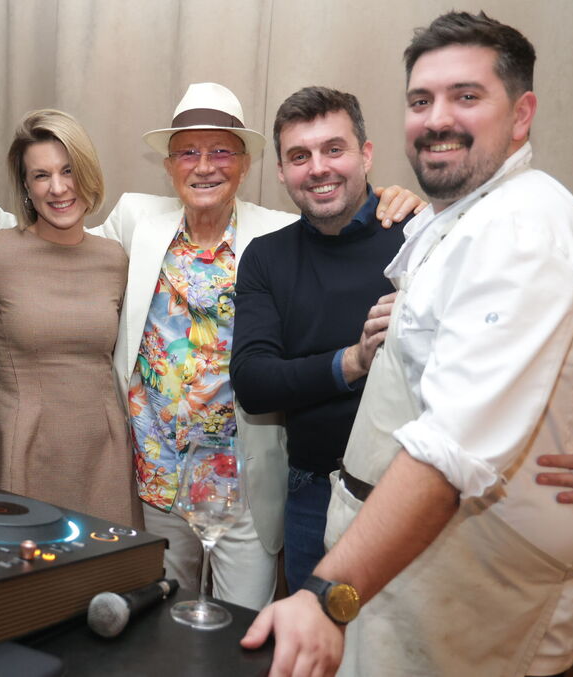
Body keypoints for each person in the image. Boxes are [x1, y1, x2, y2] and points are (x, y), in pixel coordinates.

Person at [241, 11, 573, 677]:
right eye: (420, 100)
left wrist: (327, 597)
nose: (438, 119)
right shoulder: (450, 220)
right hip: (402, 570)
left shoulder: (521, 232)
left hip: (471, 588)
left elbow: (447, 453)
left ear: (522, 114)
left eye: (467, 96)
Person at [92, 82, 423, 609]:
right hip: (157, 474)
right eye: (188, 152)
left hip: (244, 479)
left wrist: (403, 204)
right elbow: (61, 241)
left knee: (242, 626)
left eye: (222, 151)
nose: (205, 166)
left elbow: (339, 209)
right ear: (169, 165)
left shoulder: (280, 232)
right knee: (159, 617)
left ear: (246, 165)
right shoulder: (136, 219)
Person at [231, 87, 418, 594]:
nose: (318, 168)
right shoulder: (265, 257)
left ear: (366, 154)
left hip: (411, 489)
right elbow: (254, 383)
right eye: (300, 156)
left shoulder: (418, 236)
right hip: (312, 491)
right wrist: (354, 360)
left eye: (334, 149)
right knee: (312, 635)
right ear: (281, 171)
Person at [0, 109, 142, 528]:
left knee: (105, 569)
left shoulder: (115, 259)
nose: (58, 188)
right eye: (41, 175)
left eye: (68, 170)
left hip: (102, 459)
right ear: (26, 187)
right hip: (20, 452)